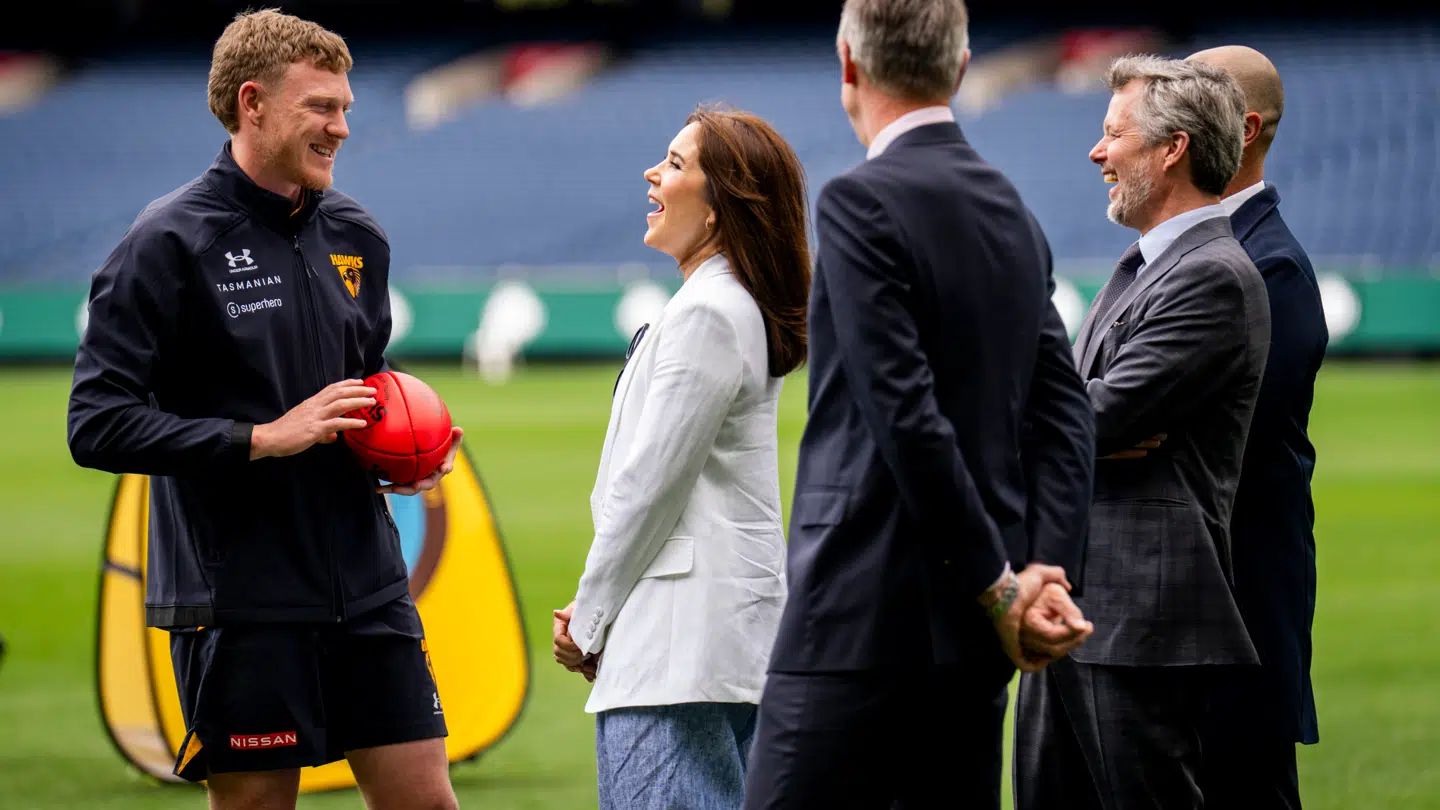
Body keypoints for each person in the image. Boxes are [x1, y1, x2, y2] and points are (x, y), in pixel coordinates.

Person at [66, 10, 461, 810]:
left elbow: (366, 380)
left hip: (369, 583)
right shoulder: (166, 242)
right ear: (253, 104)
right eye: (321, 107)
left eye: (346, 107)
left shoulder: (358, 235)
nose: (342, 127)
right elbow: (96, 421)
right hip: (239, 601)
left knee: (426, 800)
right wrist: (261, 439)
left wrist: (397, 449)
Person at [742, 1, 1098, 808]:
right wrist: (1045, 566)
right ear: (963, 64)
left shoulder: (856, 201)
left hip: (857, 611)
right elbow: (1064, 407)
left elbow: (902, 412)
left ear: (847, 63)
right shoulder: (1015, 211)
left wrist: (1001, 587)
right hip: (975, 635)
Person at [1013, 55, 1270, 810]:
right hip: (1076, 603)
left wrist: (1073, 428)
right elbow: (1075, 415)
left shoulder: (1212, 275)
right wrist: (1072, 428)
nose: (1096, 153)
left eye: (1112, 134)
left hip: (1140, 621)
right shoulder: (1143, 266)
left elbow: (1088, 419)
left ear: (1173, 148)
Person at [550, 107, 812, 810]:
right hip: (706, 642)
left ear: (723, 203)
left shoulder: (708, 314)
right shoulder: (724, 305)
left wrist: (588, 619)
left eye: (673, 162)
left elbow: (649, 488)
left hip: (678, 651)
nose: (652, 173)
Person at [1188, 45, 1328, 810]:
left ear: (1242, 131)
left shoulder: (1271, 268)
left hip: (1239, 612)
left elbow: (1198, 440)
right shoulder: (1200, 252)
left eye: (1186, 99)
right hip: (1194, 611)